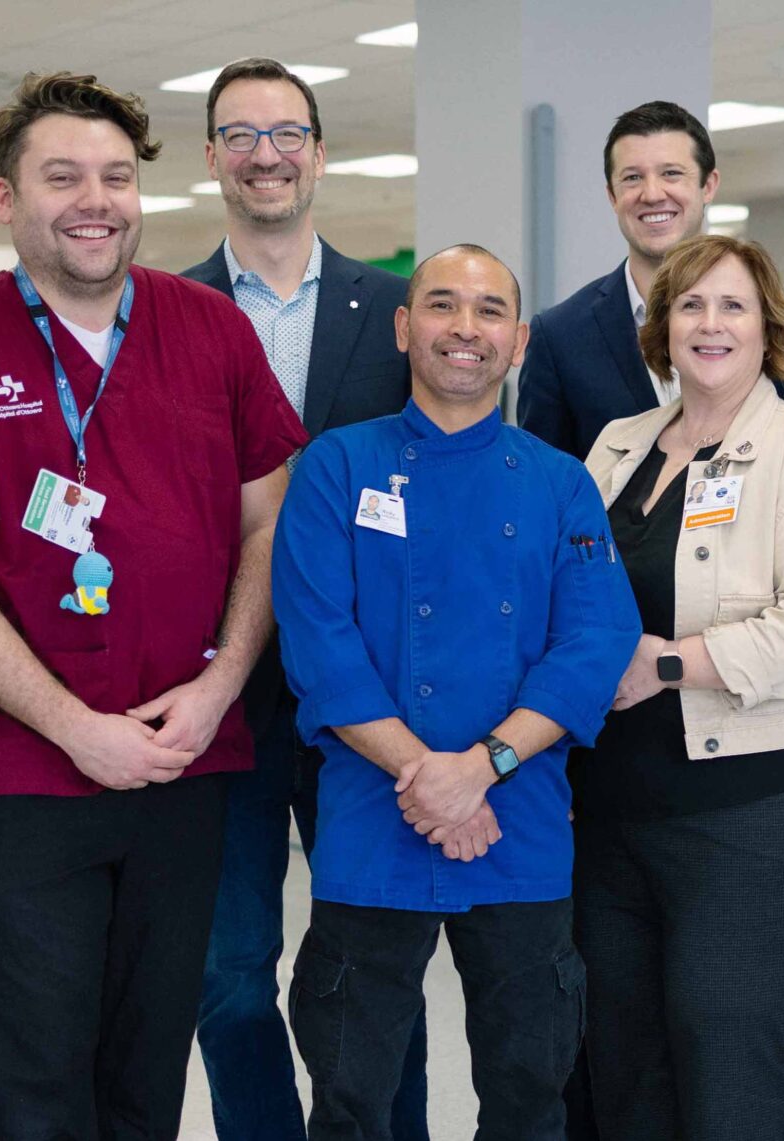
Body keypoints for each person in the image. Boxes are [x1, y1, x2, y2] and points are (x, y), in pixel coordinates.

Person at [0, 72, 308, 1136]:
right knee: (27, 1077)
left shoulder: (213, 334)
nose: (93, 199)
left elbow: (267, 529)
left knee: (145, 1073)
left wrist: (218, 685)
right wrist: (76, 729)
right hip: (19, 780)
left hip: (184, 763)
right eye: (61, 176)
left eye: (114, 175)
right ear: (8, 198)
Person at [272, 243, 637, 1140]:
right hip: (372, 816)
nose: (463, 329)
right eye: (441, 306)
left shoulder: (560, 482)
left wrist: (484, 765)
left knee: (528, 1089)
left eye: (487, 312)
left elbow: (596, 640)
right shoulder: (336, 466)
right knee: (352, 1093)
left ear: (516, 343)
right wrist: (429, 774)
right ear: (404, 328)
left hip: (521, 820)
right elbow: (320, 639)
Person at [573, 233, 784, 1140]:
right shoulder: (618, 446)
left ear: (768, 327)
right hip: (615, 805)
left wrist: (668, 663)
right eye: (690, 305)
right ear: (662, 327)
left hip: (759, 806)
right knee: (621, 1050)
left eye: (733, 306)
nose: (710, 324)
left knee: (732, 1043)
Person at [177, 57, 424, 1141]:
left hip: (364, 699)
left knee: (378, 961)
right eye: (240, 133)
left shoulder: (398, 316)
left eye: (287, 133)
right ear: (211, 157)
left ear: (321, 153)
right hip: (214, 693)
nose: (265, 153)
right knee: (227, 973)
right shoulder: (163, 312)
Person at [519, 101, 784, 457]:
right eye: (632, 177)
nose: (653, 193)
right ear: (612, 196)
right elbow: (544, 491)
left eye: (671, 173)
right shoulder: (560, 337)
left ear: (708, 185)